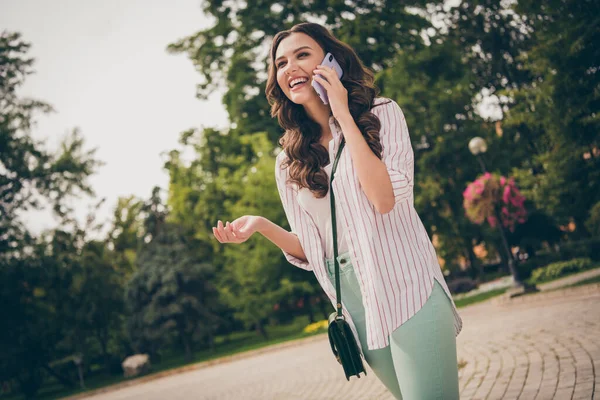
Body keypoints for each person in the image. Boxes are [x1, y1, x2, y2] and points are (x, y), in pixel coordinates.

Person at [212, 22, 463, 400]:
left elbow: (384, 199)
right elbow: (314, 250)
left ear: (331, 61)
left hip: (405, 283)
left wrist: (342, 113)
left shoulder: (382, 115)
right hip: (355, 304)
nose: (289, 68)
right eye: (280, 63)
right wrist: (262, 226)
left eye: (302, 55)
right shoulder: (288, 161)